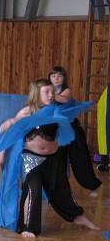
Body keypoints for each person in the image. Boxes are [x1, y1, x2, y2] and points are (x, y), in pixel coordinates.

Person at [0, 79, 99, 238]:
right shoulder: (26, 112)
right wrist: (2, 154)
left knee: (62, 189)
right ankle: (27, 227)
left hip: (53, 159)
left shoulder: (56, 112)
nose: (51, 95)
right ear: (36, 93)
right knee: (33, 190)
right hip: (31, 159)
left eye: (53, 92)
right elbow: (11, 133)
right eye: (47, 92)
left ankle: (77, 217)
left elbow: (68, 118)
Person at [48, 66, 101, 194]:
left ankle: (92, 185)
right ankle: (56, 189)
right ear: (49, 77)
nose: (56, 78)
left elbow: (64, 99)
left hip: (72, 131)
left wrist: (48, 95)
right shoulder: (46, 90)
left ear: (64, 78)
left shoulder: (67, 91)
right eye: (53, 75)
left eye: (59, 76)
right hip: (57, 132)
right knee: (56, 160)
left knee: (80, 159)